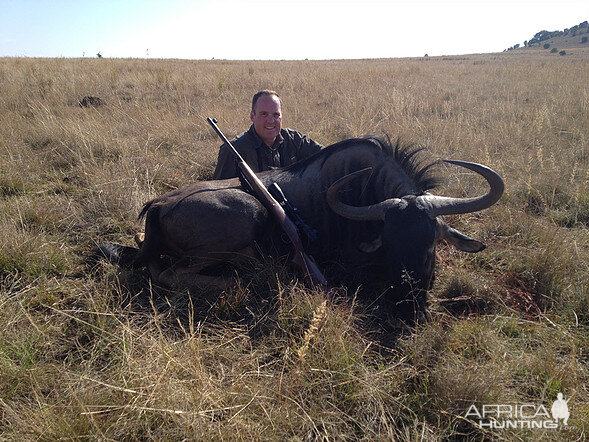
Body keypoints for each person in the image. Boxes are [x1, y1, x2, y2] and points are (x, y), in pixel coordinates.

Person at [212, 90, 323, 180]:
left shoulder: (295, 140)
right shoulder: (232, 150)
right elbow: (218, 195)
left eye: (276, 115)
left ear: (281, 117)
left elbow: (327, 156)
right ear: (252, 116)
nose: (270, 120)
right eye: (264, 114)